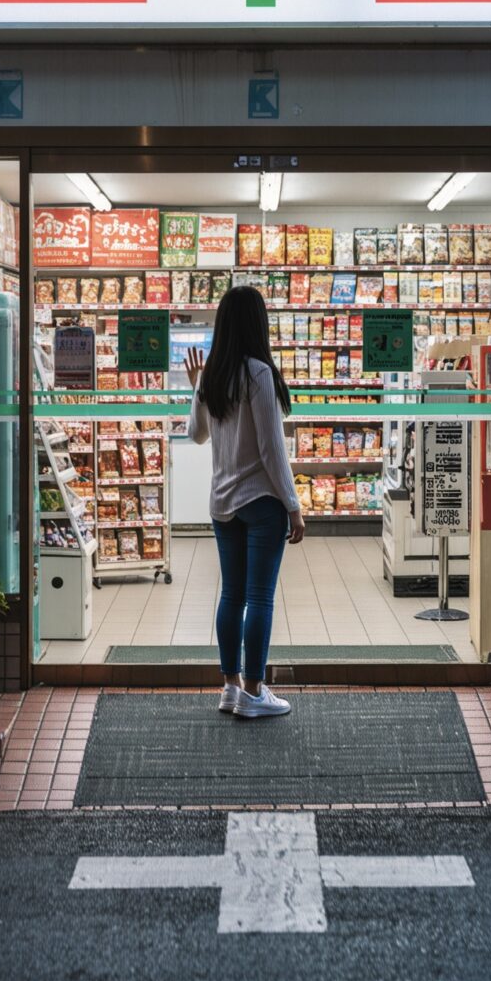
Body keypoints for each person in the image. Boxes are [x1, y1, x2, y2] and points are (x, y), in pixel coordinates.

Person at [185, 285, 305, 719]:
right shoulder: (259, 374)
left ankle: (230, 687)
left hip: (222, 503)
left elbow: (194, 434)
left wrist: (195, 389)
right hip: (261, 501)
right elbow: (273, 449)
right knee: (260, 597)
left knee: (231, 595)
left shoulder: (212, 375)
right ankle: (255, 692)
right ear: (259, 324)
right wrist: (293, 504)